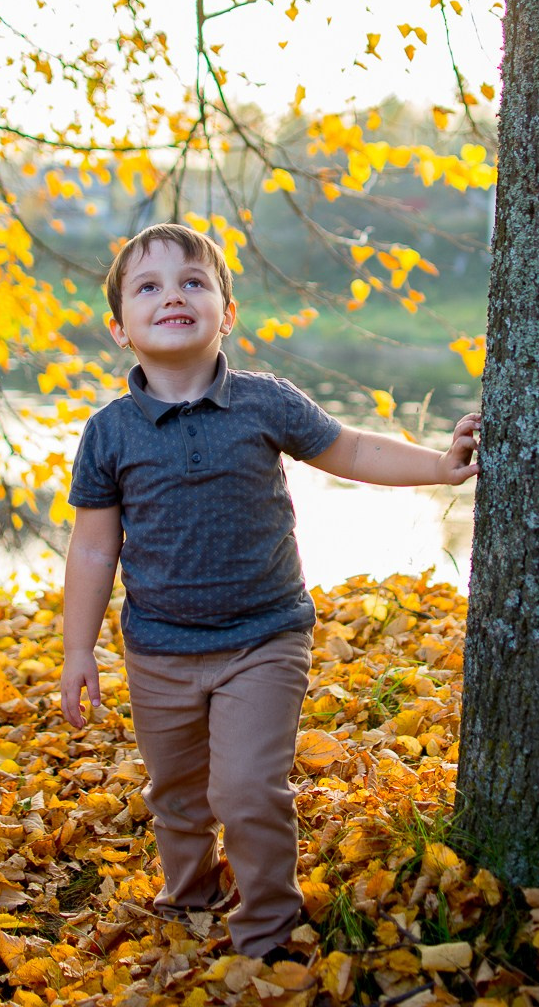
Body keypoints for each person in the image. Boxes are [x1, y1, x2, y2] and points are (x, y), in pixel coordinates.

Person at [60, 222, 479, 961]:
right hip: (158, 651)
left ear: (226, 312)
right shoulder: (110, 434)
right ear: (120, 327)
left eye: (195, 282)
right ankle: (187, 896)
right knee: (178, 795)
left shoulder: (264, 403)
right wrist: (77, 652)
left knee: (249, 791)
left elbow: (350, 448)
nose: (173, 297)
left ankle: (266, 931)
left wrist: (439, 467)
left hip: (263, 638)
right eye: (148, 287)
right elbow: (94, 547)